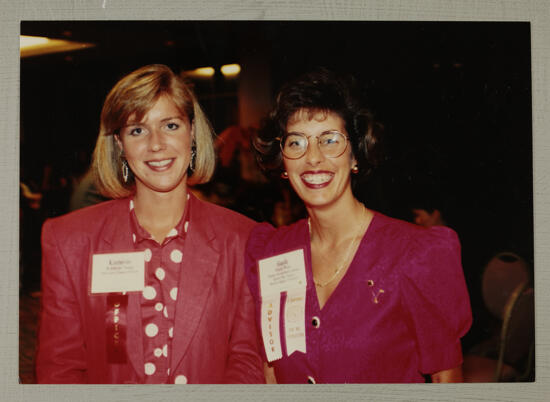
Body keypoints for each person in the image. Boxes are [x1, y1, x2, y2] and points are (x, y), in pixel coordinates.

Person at [36, 64, 264, 384]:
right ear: (119, 144)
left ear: (192, 132)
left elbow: (246, 361)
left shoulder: (243, 238)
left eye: (170, 125)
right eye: (137, 130)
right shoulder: (68, 241)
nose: (156, 144)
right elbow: (60, 369)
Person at [245, 69, 472, 383]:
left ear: (355, 155)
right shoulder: (271, 251)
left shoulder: (414, 255)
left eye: (330, 140)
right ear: (283, 162)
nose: (313, 158)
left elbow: (446, 379)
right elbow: (271, 368)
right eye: (297, 143)